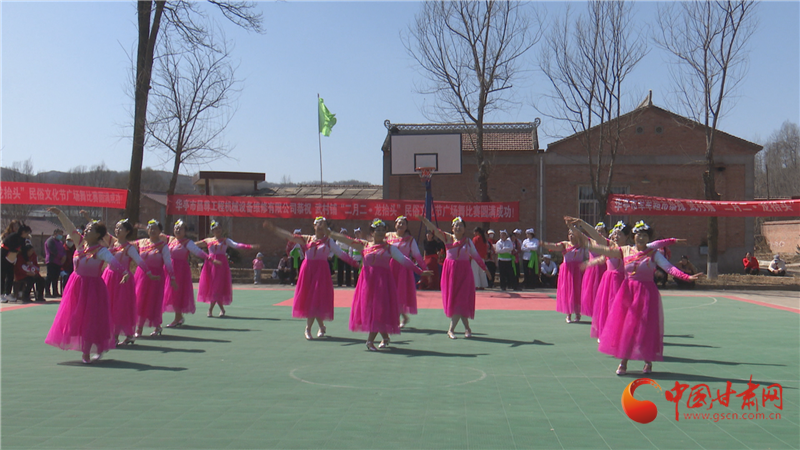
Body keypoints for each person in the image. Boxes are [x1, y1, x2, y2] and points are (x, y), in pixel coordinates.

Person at [589, 220, 702, 375]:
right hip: (627, 293)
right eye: (638, 235)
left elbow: (669, 268)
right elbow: (606, 250)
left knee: (645, 328)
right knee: (627, 326)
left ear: (648, 239)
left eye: (644, 236)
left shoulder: (654, 254)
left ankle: (648, 361)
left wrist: (686, 277)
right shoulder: (625, 250)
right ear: (633, 237)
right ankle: (623, 362)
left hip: (646, 294)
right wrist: (587, 244)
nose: (641, 238)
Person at [332, 220, 432, 350]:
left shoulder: (389, 248)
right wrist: (329, 233)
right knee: (371, 310)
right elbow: (346, 240)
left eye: (382, 230)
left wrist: (420, 271)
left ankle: (370, 341)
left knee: (379, 310)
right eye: (377, 230)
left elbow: (404, 260)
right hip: (367, 284)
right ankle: (385, 337)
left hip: (382, 284)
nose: (380, 232)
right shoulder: (364, 245)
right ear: (372, 232)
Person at [45, 208, 126, 364]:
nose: (87, 231)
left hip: (93, 288)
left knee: (91, 320)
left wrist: (125, 272)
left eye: (91, 230)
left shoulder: (101, 251)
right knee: (74, 317)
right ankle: (89, 347)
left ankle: (87, 351)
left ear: (98, 235)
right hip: (76, 286)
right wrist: (60, 213)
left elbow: (113, 262)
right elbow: (70, 227)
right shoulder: (80, 242)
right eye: (86, 229)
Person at [264, 217, 357, 340]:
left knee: (315, 300)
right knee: (310, 300)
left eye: (323, 224)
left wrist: (354, 263)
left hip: (321, 273)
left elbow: (340, 253)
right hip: (307, 271)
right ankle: (321, 326)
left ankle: (308, 328)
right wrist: (275, 229)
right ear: (314, 226)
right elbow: (291, 237)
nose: (321, 226)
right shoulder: (307, 239)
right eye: (319, 224)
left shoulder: (329, 241)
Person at [419, 216, 490, 339]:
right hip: (451, 273)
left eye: (461, 225)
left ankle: (452, 329)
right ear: (452, 228)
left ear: (464, 229)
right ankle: (466, 328)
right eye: (456, 225)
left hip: (464, 273)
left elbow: (476, 256)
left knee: (462, 300)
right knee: (456, 301)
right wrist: (425, 222)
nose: (458, 227)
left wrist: (485, 269)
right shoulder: (447, 238)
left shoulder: (468, 241)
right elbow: (435, 230)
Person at [103, 218, 153, 346]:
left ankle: (116, 336)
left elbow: (139, 261)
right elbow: (101, 233)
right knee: (108, 306)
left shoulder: (129, 248)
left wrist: (149, 273)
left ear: (127, 232)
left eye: (121, 228)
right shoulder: (113, 243)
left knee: (119, 307)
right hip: (109, 277)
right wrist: (89, 219)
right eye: (116, 227)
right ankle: (124, 335)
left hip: (122, 279)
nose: (117, 230)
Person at [196, 220, 259, 317]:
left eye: (219, 228)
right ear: (212, 230)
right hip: (210, 265)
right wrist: (183, 243)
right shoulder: (208, 240)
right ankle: (221, 309)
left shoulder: (226, 240)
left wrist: (249, 246)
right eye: (215, 229)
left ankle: (211, 309)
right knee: (213, 287)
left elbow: (237, 245)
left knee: (217, 287)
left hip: (221, 266)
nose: (217, 230)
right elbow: (194, 245)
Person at [163, 219, 214, 328]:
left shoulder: (187, 242)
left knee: (177, 293)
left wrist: (209, 258)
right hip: (169, 269)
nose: (177, 230)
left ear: (185, 231)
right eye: (176, 228)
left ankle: (177, 318)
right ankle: (178, 317)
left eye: (180, 229)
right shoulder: (171, 240)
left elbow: (198, 251)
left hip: (180, 271)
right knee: (170, 293)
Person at [134, 220, 177, 337]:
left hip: (156, 277)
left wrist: (172, 278)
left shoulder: (163, 246)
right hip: (141, 276)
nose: (152, 230)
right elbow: (125, 245)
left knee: (153, 301)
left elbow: (168, 263)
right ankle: (139, 328)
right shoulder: (142, 242)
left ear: (160, 231)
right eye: (150, 228)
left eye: (155, 228)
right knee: (139, 300)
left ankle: (157, 325)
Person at [542, 221, 588, 323]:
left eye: (573, 234)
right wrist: (544, 244)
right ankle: (568, 313)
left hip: (578, 271)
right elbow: (555, 246)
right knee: (568, 291)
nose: (571, 236)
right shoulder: (565, 244)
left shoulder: (582, 245)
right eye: (569, 234)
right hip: (567, 271)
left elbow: (588, 256)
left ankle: (578, 313)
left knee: (578, 291)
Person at [387, 216, 428, 327]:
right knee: (389, 294)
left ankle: (395, 320)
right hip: (389, 267)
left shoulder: (410, 240)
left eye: (403, 223)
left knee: (399, 294)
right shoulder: (388, 236)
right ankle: (403, 317)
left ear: (406, 227)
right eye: (399, 223)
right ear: (395, 224)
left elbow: (417, 255)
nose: (401, 225)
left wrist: (424, 269)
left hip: (403, 269)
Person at [579, 222, 609, 319]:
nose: (600, 233)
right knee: (592, 293)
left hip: (603, 269)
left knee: (602, 293)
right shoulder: (590, 241)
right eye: (598, 231)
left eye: (602, 231)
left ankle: (602, 313)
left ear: (606, 233)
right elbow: (579, 234)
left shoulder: (608, 243)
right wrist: (572, 226)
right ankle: (595, 314)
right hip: (592, 270)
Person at [1, 223, 31, 303]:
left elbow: (23, 250)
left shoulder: (23, 240)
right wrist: (17, 250)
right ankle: (1, 294)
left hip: (12, 258)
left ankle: (7, 293)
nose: (27, 235)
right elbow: (11, 247)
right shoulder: (13, 236)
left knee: (10, 276)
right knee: (2, 276)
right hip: (4, 256)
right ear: (23, 232)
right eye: (27, 233)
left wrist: (27, 260)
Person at [44, 229, 66, 298]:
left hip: (58, 262)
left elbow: (63, 250)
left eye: (61, 234)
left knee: (55, 278)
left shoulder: (60, 242)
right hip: (51, 261)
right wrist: (61, 256)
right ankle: (47, 292)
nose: (60, 235)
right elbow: (53, 251)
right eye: (59, 234)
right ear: (55, 233)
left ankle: (55, 292)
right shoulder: (50, 241)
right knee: (50, 277)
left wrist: (64, 257)